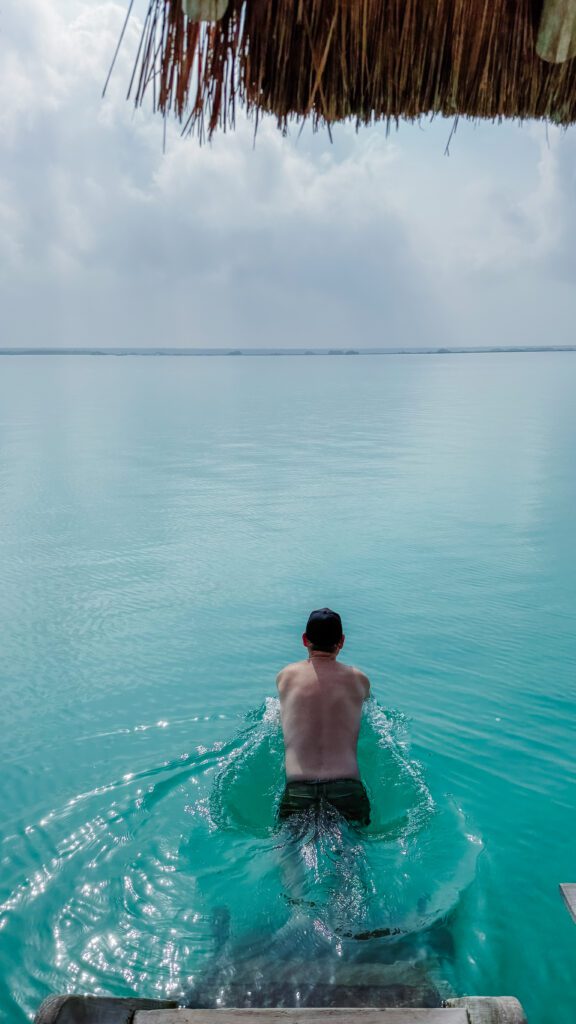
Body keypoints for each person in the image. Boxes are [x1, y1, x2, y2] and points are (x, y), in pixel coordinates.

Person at [276, 608, 371, 827]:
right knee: (352, 856)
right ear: (342, 642)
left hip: (299, 787)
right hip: (347, 787)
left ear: (304, 640)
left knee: (288, 854)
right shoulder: (359, 680)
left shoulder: (286, 677)